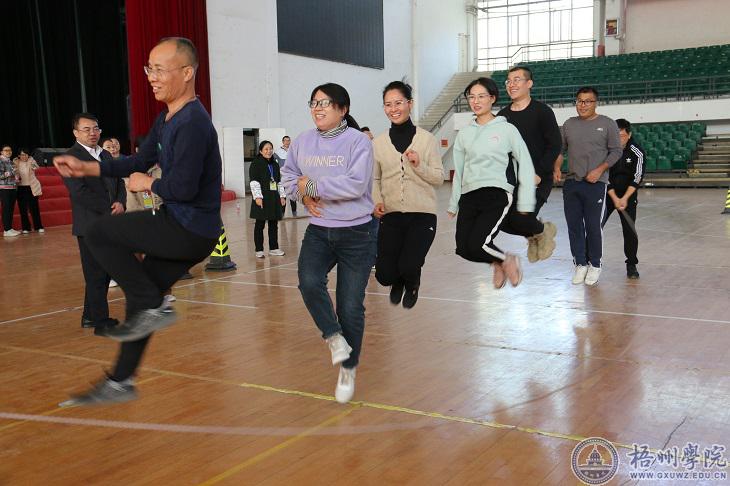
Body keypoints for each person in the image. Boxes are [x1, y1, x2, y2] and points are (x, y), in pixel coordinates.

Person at [53, 37, 221, 406]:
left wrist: (148, 184)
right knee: (141, 309)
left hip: (189, 228)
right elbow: (136, 161)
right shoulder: (167, 118)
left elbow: (183, 188)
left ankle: (151, 302)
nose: (151, 77)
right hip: (186, 226)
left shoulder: (193, 123)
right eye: (149, 69)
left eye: (159, 69)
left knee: (99, 232)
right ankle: (120, 381)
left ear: (187, 72)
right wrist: (87, 168)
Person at [281, 82, 376, 404]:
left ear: (343, 109)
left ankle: (348, 369)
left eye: (325, 103)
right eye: (314, 103)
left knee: (350, 306)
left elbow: (355, 185)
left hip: (357, 233)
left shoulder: (358, 142)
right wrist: (302, 193)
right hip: (319, 230)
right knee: (308, 282)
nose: (317, 108)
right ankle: (334, 337)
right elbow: (288, 178)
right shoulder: (302, 141)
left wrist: (312, 186)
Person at [448, 77, 535, 289]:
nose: (476, 101)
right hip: (469, 195)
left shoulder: (507, 130)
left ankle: (507, 261)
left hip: (496, 193)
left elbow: (525, 164)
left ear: (492, 98)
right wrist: (454, 203)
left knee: (478, 244)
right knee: (463, 248)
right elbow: (459, 170)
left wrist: (525, 202)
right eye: (471, 97)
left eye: (481, 96)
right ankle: (498, 262)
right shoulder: (464, 133)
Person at [372, 80, 444, 308]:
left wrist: (419, 164)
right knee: (384, 275)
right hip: (391, 215)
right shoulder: (378, 143)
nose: (393, 109)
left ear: (410, 104)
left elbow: (439, 178)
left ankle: (412, 282)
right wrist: (377, 201)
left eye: (398, 103)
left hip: (422, 215)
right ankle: (398, 280)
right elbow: (374, 179)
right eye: (388, 104)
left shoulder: (427, 139)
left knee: (409, 265)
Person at [62, 113, 126, 329]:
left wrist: (120, 202)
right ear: (75, 133)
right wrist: (109, 209)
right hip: (90, 225)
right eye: (87, 129)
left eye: (96, 128)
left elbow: (120, 182)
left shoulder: (105, 155)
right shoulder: (71, 157)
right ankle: (100, 319)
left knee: (105, 271)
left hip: (110, 223)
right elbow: (79, 192)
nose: (92, 133)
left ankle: (90, 315)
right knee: (95, 273)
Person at [497, 66, 560, 262]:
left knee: (521, 218)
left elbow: (555, 145)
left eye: (517, 80)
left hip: (537, 178)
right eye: (508, 81)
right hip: (511, 180)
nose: (511, 84)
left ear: (529, 83)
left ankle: (541, 231)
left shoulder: (542, 111)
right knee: (500, 220)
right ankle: (536, 234)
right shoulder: (502, 116)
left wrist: (539, 173)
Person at [559, 87, 622, 286]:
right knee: (574, 226)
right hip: (572, 183)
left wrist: (599, 170)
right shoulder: (569, 124)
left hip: (596, 184)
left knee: (593, 226)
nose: (583, 105)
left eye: (587, 101)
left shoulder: (607, 124)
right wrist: (556, 167)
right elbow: (560, 150)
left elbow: (616, 151)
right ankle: (580, 264)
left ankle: (595, 264)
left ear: (596, 103)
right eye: (579, 101)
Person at [602, 118, 645, 279]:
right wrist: (614, 197)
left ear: (629, 135)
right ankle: (589, 261)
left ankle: (631, 265)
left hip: (628, 195)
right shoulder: (606, 151)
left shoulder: (637, 152)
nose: (618, 139)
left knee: (629, 230)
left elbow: (637, 177)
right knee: (595, 227)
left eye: (621, 136)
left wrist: (625, 198)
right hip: (608, 194)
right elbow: (604, 174)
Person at [249, 140, 286, 258]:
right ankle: (259, 250)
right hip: (262, 198)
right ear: (261, 151)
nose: (269, 151)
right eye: (266, 149)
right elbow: (254, 181)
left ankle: (274, 248)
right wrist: (257, 197)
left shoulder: (275, 164)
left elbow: (279, 181)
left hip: (273, 198)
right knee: (260, 224)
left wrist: (282, 195)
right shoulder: (256, 164)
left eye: (270, 149)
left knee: (273, 224)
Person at [13, 148, 44, 233]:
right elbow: (13, 172)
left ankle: (38, 226)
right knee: (23, 209)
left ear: (28, 155)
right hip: (20, 188)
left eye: (26, 155)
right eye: (22, 155)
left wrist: (33, 162)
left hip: (31, 187)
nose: (24, 156)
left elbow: (36, 167)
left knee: (34, 208)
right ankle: (26, 228)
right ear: (19, 156)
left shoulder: (31, 161)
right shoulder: (15, 162)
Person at [274, 135, 297, 216]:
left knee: (292, 195)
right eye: (285, 140)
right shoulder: (277, 152)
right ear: (283, 142)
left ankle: (294, 212)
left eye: (288, 140)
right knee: (282, 195)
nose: (287, 142)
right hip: (282, 177)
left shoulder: (293, 151)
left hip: (292, 177)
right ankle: (282, 213)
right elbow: (273, 164)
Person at [1, 145, 20, 237]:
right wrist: (12, 172)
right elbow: (1, 175)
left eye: (10, 150)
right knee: (6, 209)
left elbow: (14, 175)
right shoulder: (1, 161)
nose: (9, 152)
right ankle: (6, 230)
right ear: (1, 152)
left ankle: (10, 228)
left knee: (11, 209)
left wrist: (17, 178)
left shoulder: (11, 162)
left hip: (12, 188)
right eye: (6, 150)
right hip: (4, 189)